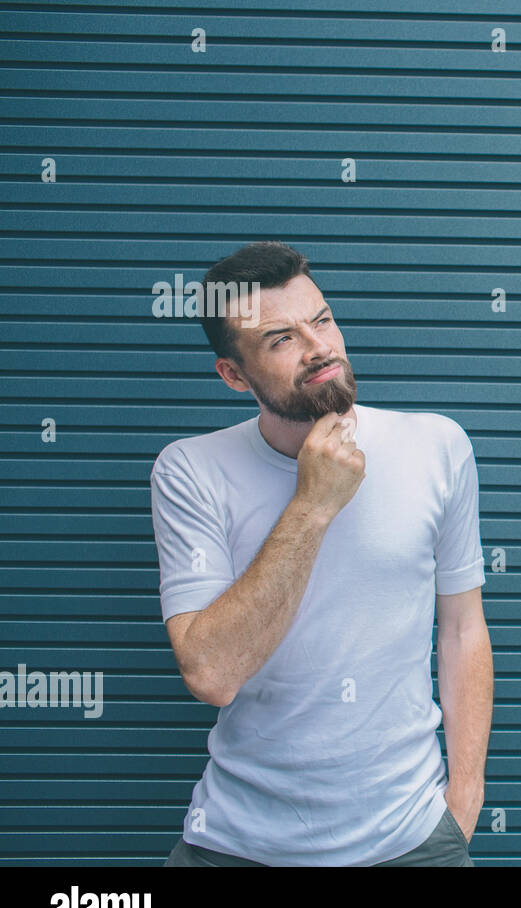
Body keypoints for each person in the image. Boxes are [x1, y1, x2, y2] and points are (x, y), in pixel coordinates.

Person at [150, 240, 492, 866]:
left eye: (323, 319)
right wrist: (312, 504)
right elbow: (212, 675)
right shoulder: (190, 471)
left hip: (413, 839)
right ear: (233, 374)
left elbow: (463, 629)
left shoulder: (438, 447)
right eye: (282, 339)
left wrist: (464, 799)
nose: (320, 348)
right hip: (237, 845)